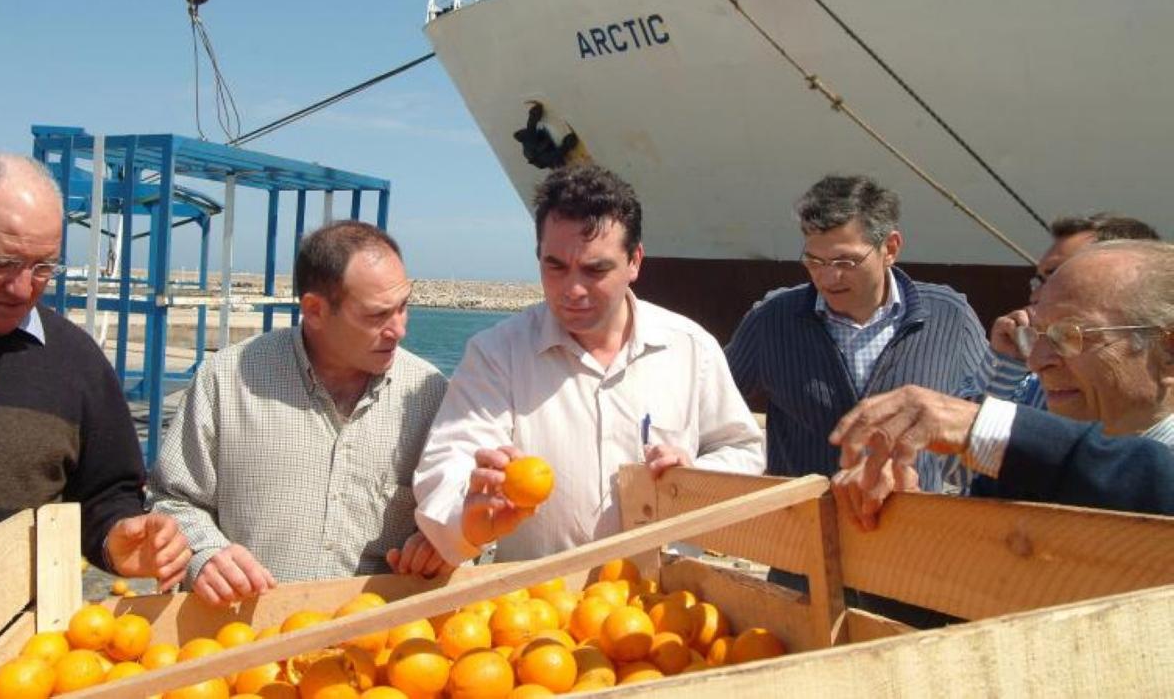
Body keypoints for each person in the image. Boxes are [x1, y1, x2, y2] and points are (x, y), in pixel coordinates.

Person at [413, 164, 765, 566]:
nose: (572, 290)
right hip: (540, 614)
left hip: (665, 611)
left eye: (596, 269)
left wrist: (698, 477)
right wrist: (472, 520)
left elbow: (741, 450)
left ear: (635, 261)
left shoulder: (691, 348)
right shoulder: (496, 354)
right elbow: (447, 465)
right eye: (555, 266)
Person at [149, 221, 450, 606]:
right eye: (377, 316)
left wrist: (443, 541)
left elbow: (455, 513)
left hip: (376, 654)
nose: (399, 330)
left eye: (404, 307)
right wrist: (205, 555)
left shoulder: (430, 395)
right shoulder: (226, 380)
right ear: (314, 310)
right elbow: (171, 500)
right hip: (246, 645)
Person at [0, 152, 189, 590]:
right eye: (0, 263)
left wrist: (115, 539)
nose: (22, 288)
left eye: (44, 267)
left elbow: (107, 492)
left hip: (22, 651)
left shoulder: (75, 360)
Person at [831, 239, 1174, 527]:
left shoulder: (1045, 463)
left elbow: (1143, 478)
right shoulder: (1023, 479)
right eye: (1035, 335)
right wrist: (901, 515)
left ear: (1167, 348)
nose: (1038, 361)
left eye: (1070, 335)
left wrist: (983, 426)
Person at [726, 175, 988, 489]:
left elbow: (987, 421)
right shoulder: (771, 320)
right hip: (806, 527)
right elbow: (711, 408)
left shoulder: (950, 318)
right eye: (814, 261)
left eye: (845, 261)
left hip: (913, 526)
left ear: (890, 248)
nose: (828, 277)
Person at [983, 213, 1160, 411]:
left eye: (1060, 275)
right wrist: (1006, 361)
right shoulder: (1041, 382)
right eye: (1040, 280)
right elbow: (969, 430)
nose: (1037, 296)